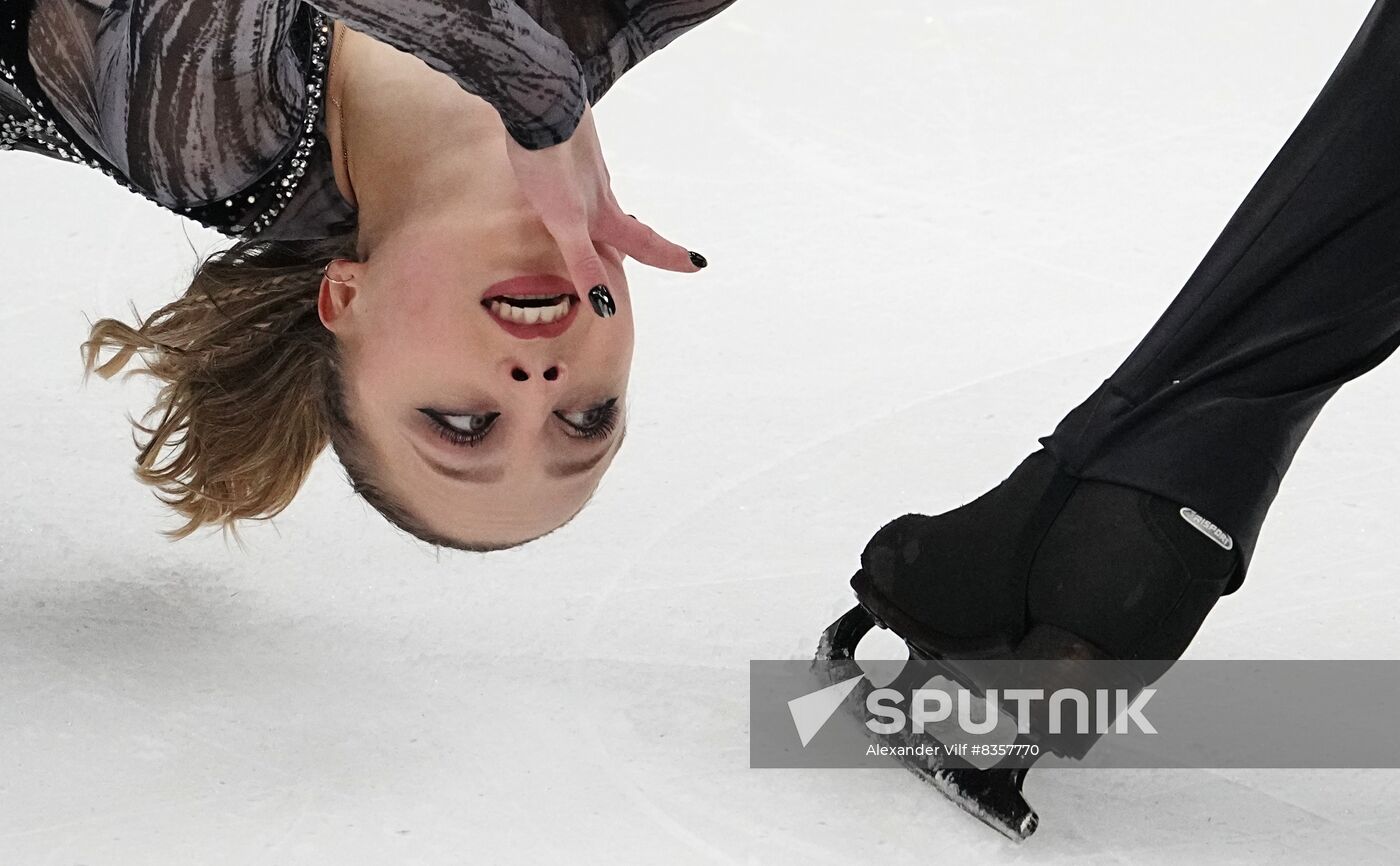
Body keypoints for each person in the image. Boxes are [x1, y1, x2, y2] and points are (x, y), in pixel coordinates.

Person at [0, 0, 732, 549]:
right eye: (586, 418)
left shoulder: (210, 141)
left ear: (345, 299)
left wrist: (535, 95)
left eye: (463, 425)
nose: (536, 390)